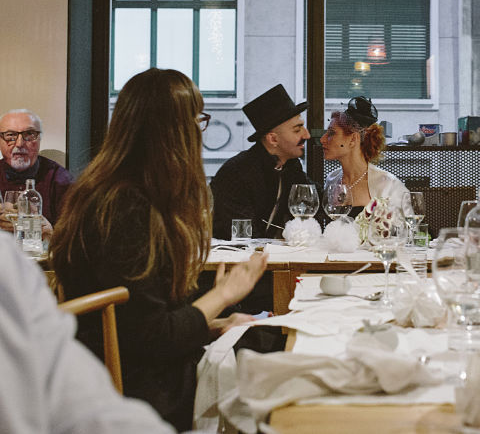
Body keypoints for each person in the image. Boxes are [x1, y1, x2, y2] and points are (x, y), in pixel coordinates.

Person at [50, 68, 268, 430]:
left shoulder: (115, 193)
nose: (201, 131)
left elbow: (137, 321)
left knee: (263, 341)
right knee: (273, 368)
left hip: (125, 366)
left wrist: (216, 324)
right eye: (198, 120)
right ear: (174, 131)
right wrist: (224, 295)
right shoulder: (125, 208)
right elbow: (152, 338)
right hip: (138, 387)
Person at [0, 231, 177, 434]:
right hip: (138, 373)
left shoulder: (8, 264)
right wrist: (220, 296)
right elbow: (155, 335)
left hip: (119, 377)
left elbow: (86, 407)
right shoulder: (124, 222)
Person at [211, 84, 314, 239]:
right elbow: (244, 236)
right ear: (273, 139)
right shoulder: (236, 174)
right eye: (297, 129)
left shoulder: (291, 167)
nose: (307, 136)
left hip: (265, 255)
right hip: (232, 259)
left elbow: (314, 205)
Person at [321, 96, 408, 217]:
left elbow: (409, 230)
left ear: (353, 139)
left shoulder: (388, 185)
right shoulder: (332, 179)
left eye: (331, 133)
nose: (322, 139)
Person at [0, 109, 73, 236]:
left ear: (40, 139)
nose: (19, 143)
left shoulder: (62, 180)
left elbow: (76, 237)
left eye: (29, 134)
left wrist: (51, 233)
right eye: (10, 135)